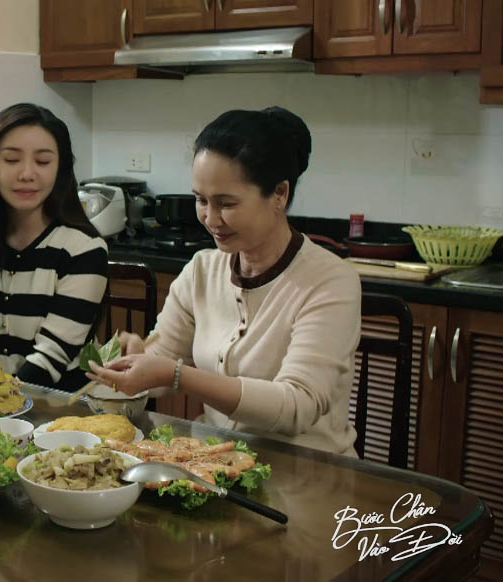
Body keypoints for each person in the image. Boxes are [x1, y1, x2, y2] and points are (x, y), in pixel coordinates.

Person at [86, 107, 361, 456]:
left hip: (308, 470)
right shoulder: (202, 270)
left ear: (279, 193)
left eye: (226, 203)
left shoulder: (329, 281)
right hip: (214, 462)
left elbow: (297, 406)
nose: (210, 219)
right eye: (201, 200)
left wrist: (175, 375)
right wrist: (137, 358)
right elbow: (162, 361)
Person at [0, 103, 109, 391]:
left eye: (42, 162)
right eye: (11, 160)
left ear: (60, 169)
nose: (27, 173)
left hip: (59, 406)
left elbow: (50, 359)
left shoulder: (84, 250)